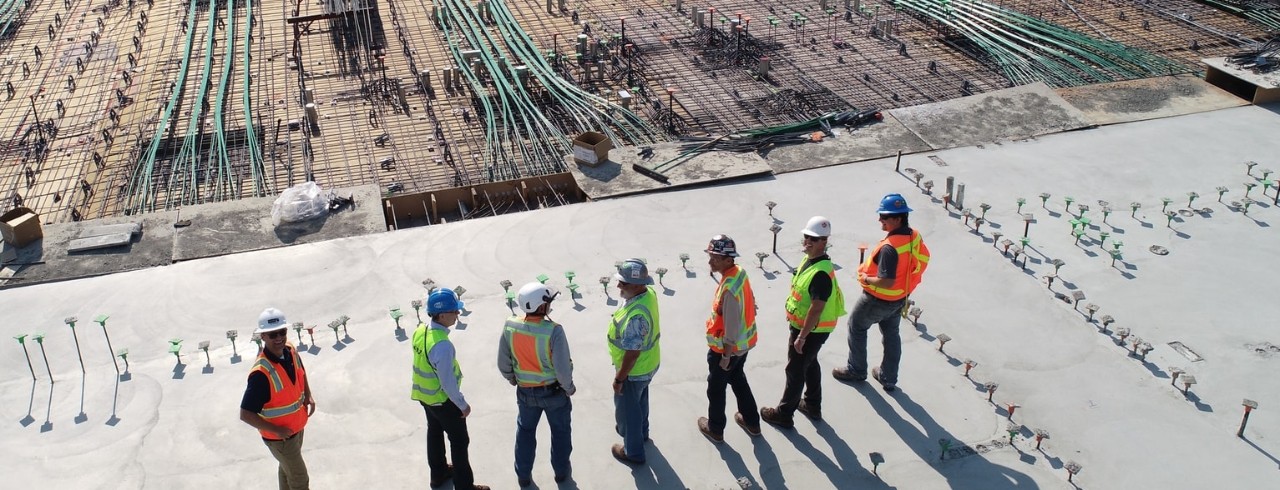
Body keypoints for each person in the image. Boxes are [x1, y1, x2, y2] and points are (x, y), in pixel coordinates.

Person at [834, 193, 930, 392]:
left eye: (884, 217)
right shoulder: (913, 236)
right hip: (900, 297)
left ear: (897, 219)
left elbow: (886, 281)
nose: (880, 220)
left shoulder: (889, 249)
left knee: (856, 327)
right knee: (891, 334)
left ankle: (856, 370)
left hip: (877, 299)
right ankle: (888, 377)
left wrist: (866, 279)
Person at [760, 216, 846, 428]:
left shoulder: (820, 273)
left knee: (795, 370)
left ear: (824, 241)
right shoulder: (810, 261)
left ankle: (784, 414)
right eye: (806, 237)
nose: (808, 242)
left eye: (813, 239)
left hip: (810, 331)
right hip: (807, 328)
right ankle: (812, 404)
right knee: (809, 363)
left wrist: (801, 336)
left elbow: (816, 308)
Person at [498, 282, 576, 486]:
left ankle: (523, 475)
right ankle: (561, 472)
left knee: (525, 433)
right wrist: (569, 388)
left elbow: (503, 362)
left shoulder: (510, 325)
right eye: (548, 302)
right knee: (560, 433)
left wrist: (513, 378)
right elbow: (562, 368)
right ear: (541, 307)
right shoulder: (554, 331)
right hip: (554, 393)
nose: (550, 305)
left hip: (525, 393)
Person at [412, 288, 489, 490]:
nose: (458, 314)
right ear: (443, 314)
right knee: (459, 441)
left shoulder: (421, 331)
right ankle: (465, 486)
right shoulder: (443, 346)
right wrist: (462, 405)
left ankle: (438, 475)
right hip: (443, 400)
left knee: (434, 433)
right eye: (455, 311)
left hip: (425, 396)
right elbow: (447, 382)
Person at [239, 307, 316, 490]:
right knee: (300, 479)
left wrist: (308, 394)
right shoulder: (261, 374)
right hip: (280, 438)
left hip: (296, 428)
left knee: (287, 469)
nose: (279, 338)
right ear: (263, 337)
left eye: (282, 332)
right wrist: (277, 430)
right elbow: (246, 414)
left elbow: (301, 370)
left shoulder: (290, 349)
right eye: (272, 334)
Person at [698, 235, 761, 442]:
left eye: (714, 258)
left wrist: (725, 356)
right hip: (743, 347)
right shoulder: (739, 273)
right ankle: (752, 422)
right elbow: (750, 298)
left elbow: (731, 326)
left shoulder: (730, 288)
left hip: (726, 351)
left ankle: (715, 429)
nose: (710, 261)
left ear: (728, 259)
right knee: (738, 379)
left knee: (715, 389)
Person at [608, 258, 661, 464]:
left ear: (639, 285)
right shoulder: (648, 294)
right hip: (648, 365)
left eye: (624, 283)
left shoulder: (636, 316)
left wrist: (619, 379)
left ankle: (633, 452)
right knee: (640, 402)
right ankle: (642, 434)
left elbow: (632, 353)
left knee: (628, 412)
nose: (619, 285)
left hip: (634, 370)